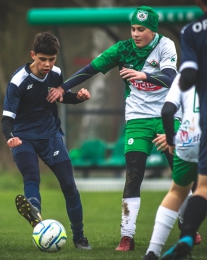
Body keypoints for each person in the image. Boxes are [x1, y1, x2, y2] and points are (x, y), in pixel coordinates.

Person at [46, 6, 181, 251]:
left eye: (141, 29)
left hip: (167, 115)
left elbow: (171, 78)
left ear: (153, 31)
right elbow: (91, 69)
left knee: (179, 170)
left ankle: (187, 228)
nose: (136, 33)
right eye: (133, 28)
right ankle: (127, 237)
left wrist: (143, 75)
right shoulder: (122, 49)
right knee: (133, 174)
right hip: (138, 118)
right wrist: (63, 88)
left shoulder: (166, 46)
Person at [1, 31, 92, 250]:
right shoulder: (18, 81)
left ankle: (79, 238)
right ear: (33, 55)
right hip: (24, 138)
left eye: (51, 60)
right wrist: (10, 137)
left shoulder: (56, 74)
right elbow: (6, 119)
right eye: (42, 59)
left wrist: (77, 98)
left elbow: (62, 96)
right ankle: (35, 214)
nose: (47, 64)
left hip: (51, 135)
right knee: (31, 176)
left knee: (69, 185)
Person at [161, 1, 207, 259]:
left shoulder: (193, 31)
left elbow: (187, 76)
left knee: (200, 189)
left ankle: (187, 236)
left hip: (199, 129)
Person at [142, 74, 201, 260]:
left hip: (187, 139)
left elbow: (167, 111)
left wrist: (171, 140)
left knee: (177, 191)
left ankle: (152, 252)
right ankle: (187, 237)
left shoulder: (182, 76)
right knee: (203, 190)